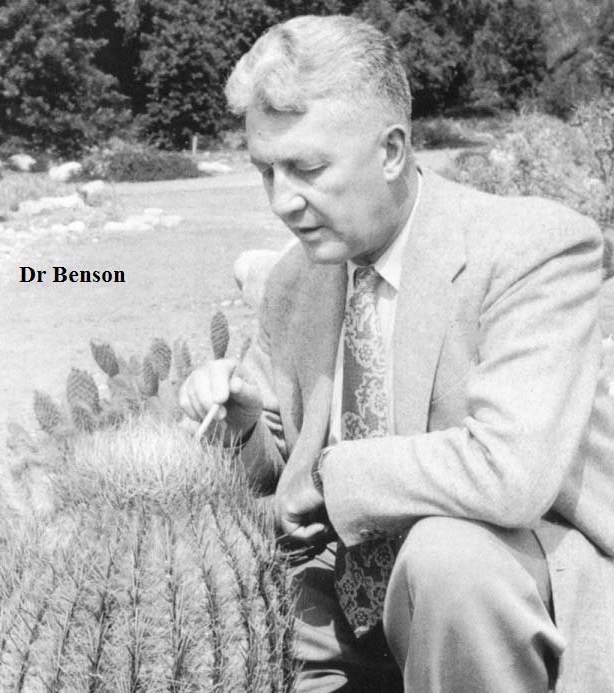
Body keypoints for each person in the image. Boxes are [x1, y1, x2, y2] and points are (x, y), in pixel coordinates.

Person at [180, 14, 614, 693]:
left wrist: (328, 477)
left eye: (307, 168)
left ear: (391, 151)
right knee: (192, 597)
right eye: (265, 171)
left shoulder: (528, 247)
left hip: (506, 594)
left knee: (448, 559)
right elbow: (278, 478)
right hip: (345, 600)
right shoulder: (297, 278)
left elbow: (512, 472)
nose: (283, 201)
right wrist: (240, 424)